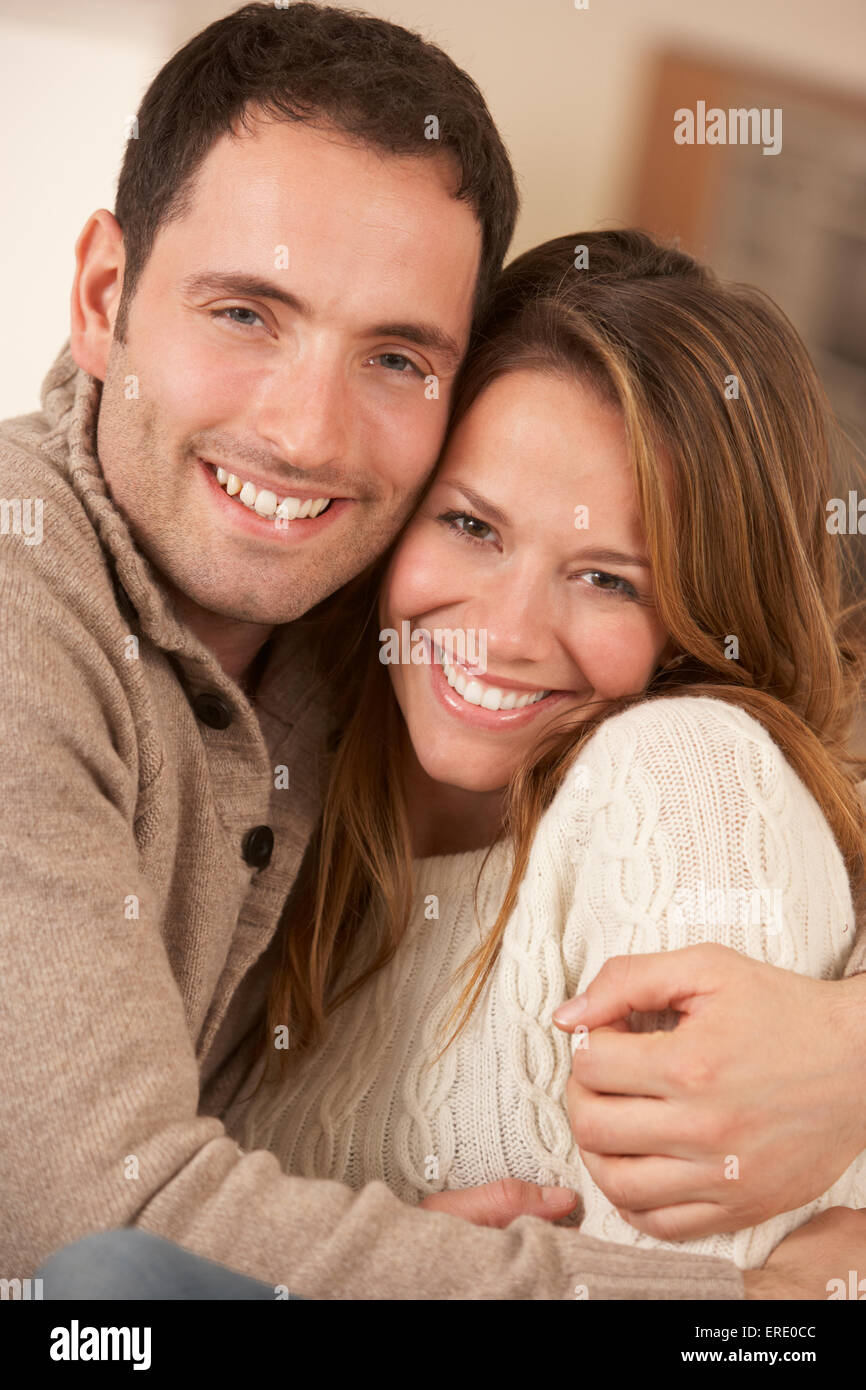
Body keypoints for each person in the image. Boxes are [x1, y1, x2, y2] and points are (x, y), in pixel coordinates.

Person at [0, 2, 862, 1301]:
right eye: (244, 312)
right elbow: (101, 1215)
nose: (304, 432)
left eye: (395, 356)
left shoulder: (349, 607)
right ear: (103, 296)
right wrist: (738, 1308)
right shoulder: (34, 602)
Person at [234, 228, 866, 1273]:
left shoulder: (677, 777)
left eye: (607, 577)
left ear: (692, 620)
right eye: (472, 526)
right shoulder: (276, 798)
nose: (507, 631)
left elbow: (737, 1329)